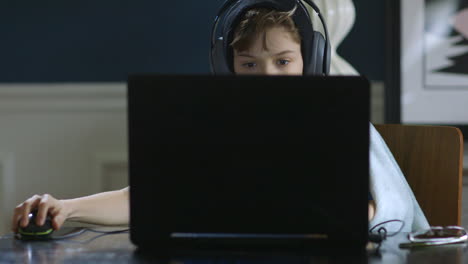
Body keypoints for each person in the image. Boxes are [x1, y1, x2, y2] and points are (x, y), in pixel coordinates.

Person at [11, 2, 429, 234]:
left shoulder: (338, 126)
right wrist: (66, 207)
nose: (267, 76)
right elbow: (150, 197)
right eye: (250, 64)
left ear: (311, 60)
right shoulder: (212, 129)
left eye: (283, 61)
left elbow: (375, 214)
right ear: (228, 66)